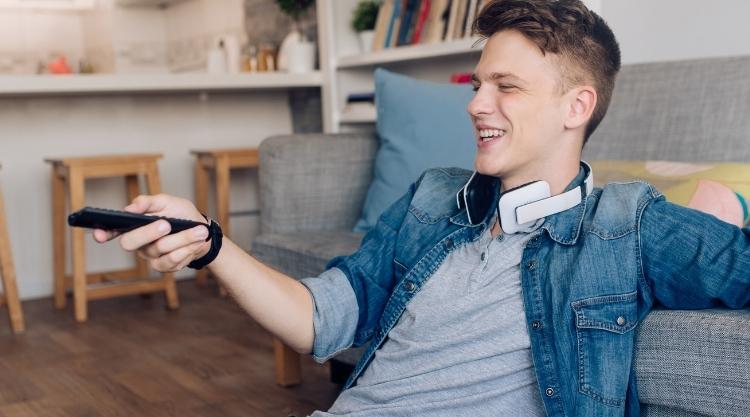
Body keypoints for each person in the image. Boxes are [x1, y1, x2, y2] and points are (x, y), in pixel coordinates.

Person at [94, 1, 750, 416]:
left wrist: (727, 204)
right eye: (477, 83)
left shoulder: (626, 224)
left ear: (576, 106)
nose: (475, 104)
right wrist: (212, 243)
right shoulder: (435, 198)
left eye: (506, 87)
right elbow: (321, 318)